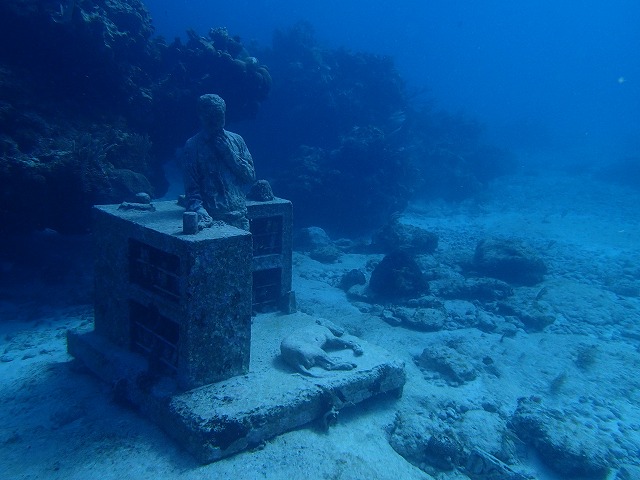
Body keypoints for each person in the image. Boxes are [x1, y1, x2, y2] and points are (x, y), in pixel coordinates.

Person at [181, 94, 256, 230]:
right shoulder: (192, 146)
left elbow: (250, 176)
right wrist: (199, 210)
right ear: (202, 117)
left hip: (240, 217)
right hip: (211, 221)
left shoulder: (237, 140)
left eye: (219, 116)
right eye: (211, 117)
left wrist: (229, 154)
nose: (216, 121)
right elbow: (192, 189)